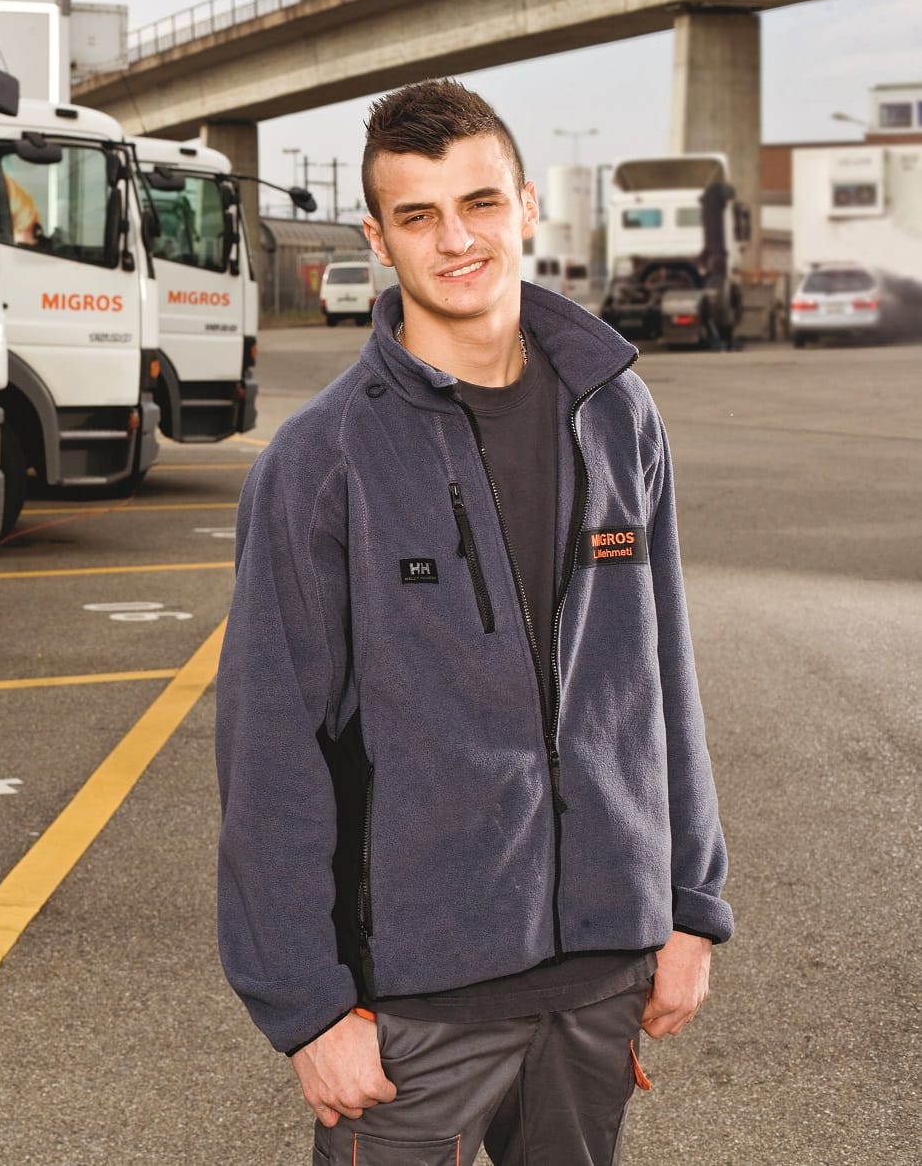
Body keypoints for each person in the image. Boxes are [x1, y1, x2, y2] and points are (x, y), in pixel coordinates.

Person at [215, 79, 732, 1166]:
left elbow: (657, 674)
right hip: (417, 999)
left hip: (599, 976)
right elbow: (268, 748)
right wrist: (306, 1006)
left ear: (526, 208)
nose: (455, 239)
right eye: (417, 215)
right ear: (377, 236)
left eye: (479, 204)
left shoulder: (614, 408)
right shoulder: (320, 464)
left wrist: (688, 901)